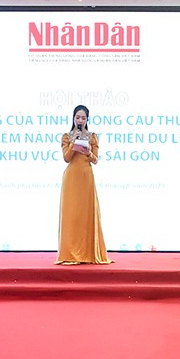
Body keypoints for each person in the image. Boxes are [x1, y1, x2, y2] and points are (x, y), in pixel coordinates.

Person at [57, 103, 109, 265]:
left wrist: (89, 152)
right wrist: (75, 142)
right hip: (72, 177)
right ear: (73, 118)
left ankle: (88, 252)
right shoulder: (67, 136)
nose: (80, 120)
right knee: (72, 214)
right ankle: (70, 253)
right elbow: (67, 157)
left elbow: (96, 160)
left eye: (83, 117)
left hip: (86, 176)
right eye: (77, 117)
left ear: (87, 119)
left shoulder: (92, 136)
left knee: (86, 214)